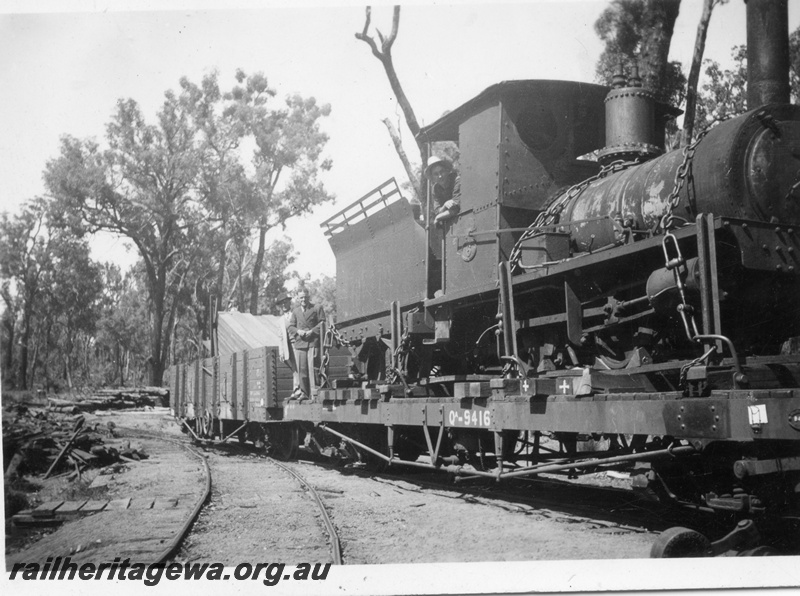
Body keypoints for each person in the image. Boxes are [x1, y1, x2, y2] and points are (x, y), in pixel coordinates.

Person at [287, 287, 326, 400]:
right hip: (300, 344)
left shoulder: (316, 308)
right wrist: (298, 331)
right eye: (301, 298)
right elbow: (291, 326)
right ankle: (304, 393)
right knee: (302, 370)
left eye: (305, 297)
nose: (303, 299)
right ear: (298, 299)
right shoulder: (296, 311)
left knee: (313, 368)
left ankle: (315, 393)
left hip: (313, 343)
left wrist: (312, 331)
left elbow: (322, 323)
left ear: (309, 297)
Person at [425, 155, 461, 225]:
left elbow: (456, 208)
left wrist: (438, 217)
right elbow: (437, 211)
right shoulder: (435, 189)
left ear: (447, 171)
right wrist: (445, 205)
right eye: (436, 174)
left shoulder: (456, 180)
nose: (440, 176)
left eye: (442, 172)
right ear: (432, 177)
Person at [276, 291, 300, 395]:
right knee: (294, 368)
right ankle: (297, 389)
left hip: (298, 345)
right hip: (288, 347)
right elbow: (281, 337)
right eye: (281, 303)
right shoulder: (280, 320)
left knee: (300, 367)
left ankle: (300, 389)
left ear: (289, 303)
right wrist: (281, 352)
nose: (283, 305)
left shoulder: (297, 313)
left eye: (285, 302)